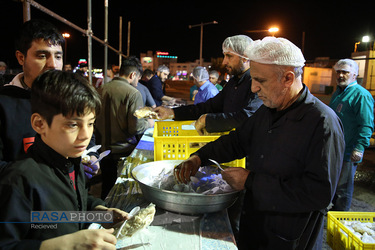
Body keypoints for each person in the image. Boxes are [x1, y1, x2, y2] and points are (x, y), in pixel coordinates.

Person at [174, 37, 345, 249]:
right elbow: (237, 140)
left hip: (288, 237)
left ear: (288, 78)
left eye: (260, 81)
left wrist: (250, 181)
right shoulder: (268, 110)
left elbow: (318, 194)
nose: (254, 88)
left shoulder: (322, 123)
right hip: (254, 224)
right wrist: (199, 157)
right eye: (253, 79)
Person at [0, 70, 128, 250]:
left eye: (90, 123)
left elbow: (67, 213)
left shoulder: (73, 163)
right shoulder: (19, 180)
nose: (85, 135)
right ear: (39, 124)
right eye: (73, 124)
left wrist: (101, 213)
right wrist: (65, 244)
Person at [0, 19, 99, 179]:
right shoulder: (4, 104)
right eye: (42, 56)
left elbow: (89, 134)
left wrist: (91, 154)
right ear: (20, 57)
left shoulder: (68, 94)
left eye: (58, 56)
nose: (53, 64)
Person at [155, 35, 263, 134]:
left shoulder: (257, 82)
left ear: (245, 57)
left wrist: (208, 120)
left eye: (229, 56)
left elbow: (248, 116)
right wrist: (172, 112)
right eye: (224, 56)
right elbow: (209, 107)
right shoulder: (233, 82)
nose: (224, 62)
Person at [95, 57, 154, 198]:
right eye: (138, 79)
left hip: (102, 150)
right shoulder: (133, 93)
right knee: (121, 192)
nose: (137, 82)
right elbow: (136, 127)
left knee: (106, 187)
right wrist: (149, 123)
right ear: (133, 75)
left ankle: (103, 215)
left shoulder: (101, 89)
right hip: (122, 151)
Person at [329, 59, 374, 211]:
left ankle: (341, 218)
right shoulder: (338, 93)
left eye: (345, 72)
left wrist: (359, 147)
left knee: (343, 187)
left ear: (354, 74)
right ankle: (333, 213)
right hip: (335, 147)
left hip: (349, 150)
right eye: (339, 72)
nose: (341, 75)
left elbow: (366, 124)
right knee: (334, 183)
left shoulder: (361, 95)